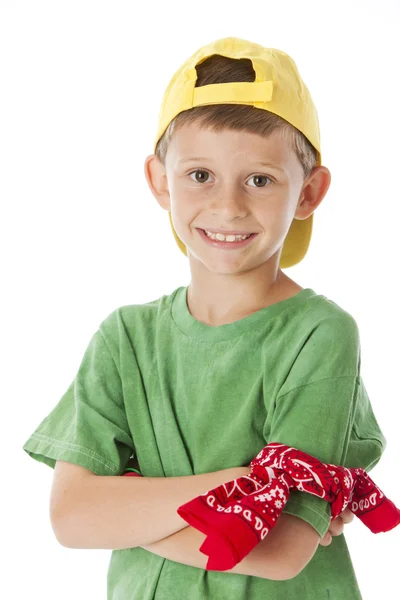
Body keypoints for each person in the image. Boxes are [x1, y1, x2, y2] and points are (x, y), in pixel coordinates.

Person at [22, 36, 387, 599]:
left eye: (260, 180)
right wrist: (232, 488)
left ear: (309, 192)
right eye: (199, 175)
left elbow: (280, 549)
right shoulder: (126, 339)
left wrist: (130, 505)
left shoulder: (319, 334)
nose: (228, 206)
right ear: (160, 180)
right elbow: (73, 518)